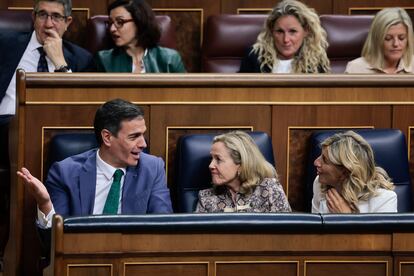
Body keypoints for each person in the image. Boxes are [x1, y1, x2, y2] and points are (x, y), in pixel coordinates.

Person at [18, 98, 173, 229]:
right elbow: (55, 242)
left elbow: (164, 229)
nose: (143, 144)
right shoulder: (66, 173)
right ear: (107, 137)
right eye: (134, 137)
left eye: (143, 135)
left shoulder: (153, 169)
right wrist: (45, 204)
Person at [0, 0, 94, 122]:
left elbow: (79, 109)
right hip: (5, 125)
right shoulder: (5, 44)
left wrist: (60, 63)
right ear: (34, 17)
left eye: (56, 16)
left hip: (51, 130)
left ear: (67, 22)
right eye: (43, 15)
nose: (48, 24)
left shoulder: (83, 59)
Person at [195, 131, 291, 213]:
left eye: (218, 159)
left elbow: (287, 231)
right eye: (211, 159)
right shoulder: (205, 198)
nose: (210, 165)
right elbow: (198, 235)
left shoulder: (269, 189)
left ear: (241, 165)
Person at [312, 131, 397, 213]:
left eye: (325, 160)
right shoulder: (320, 183)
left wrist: (346, 218)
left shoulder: (385, 200)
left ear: (346, 171)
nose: (316, 162)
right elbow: (313, 227)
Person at [239, 0, 329, 73]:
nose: (286, 40)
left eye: (292, 31)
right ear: (271, 31)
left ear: (306, 31)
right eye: (280, 31)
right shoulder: (254, 57)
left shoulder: (316, 60)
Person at [95, 0, 186, 73]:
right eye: (110, 23)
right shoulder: (104, 60)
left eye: (120, 22)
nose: (112, 29)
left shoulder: (170, 58)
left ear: (139, 22)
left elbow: (184, 94)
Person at [345, 7, 414, 74]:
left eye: (401, 38)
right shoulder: (355, 68)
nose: (396, 44)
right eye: (388, 38)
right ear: (376, 40)